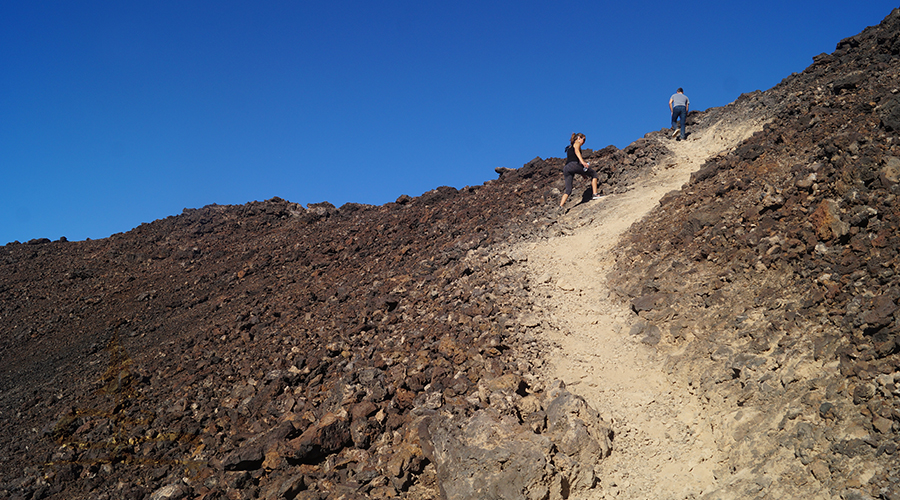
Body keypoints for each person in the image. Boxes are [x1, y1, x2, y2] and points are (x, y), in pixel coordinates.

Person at [560, 132, 601, 207]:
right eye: (584, 139)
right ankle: (595, 194)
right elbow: (577, 152)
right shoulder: (577, 144)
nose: (584, 142)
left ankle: (561, 206)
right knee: (594, 174)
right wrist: (583, 162)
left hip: (566, 168)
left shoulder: (569, 147)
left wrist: (582, 174)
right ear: (579, 138)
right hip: (573, 165)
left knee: (568, 190)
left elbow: (573, 157)